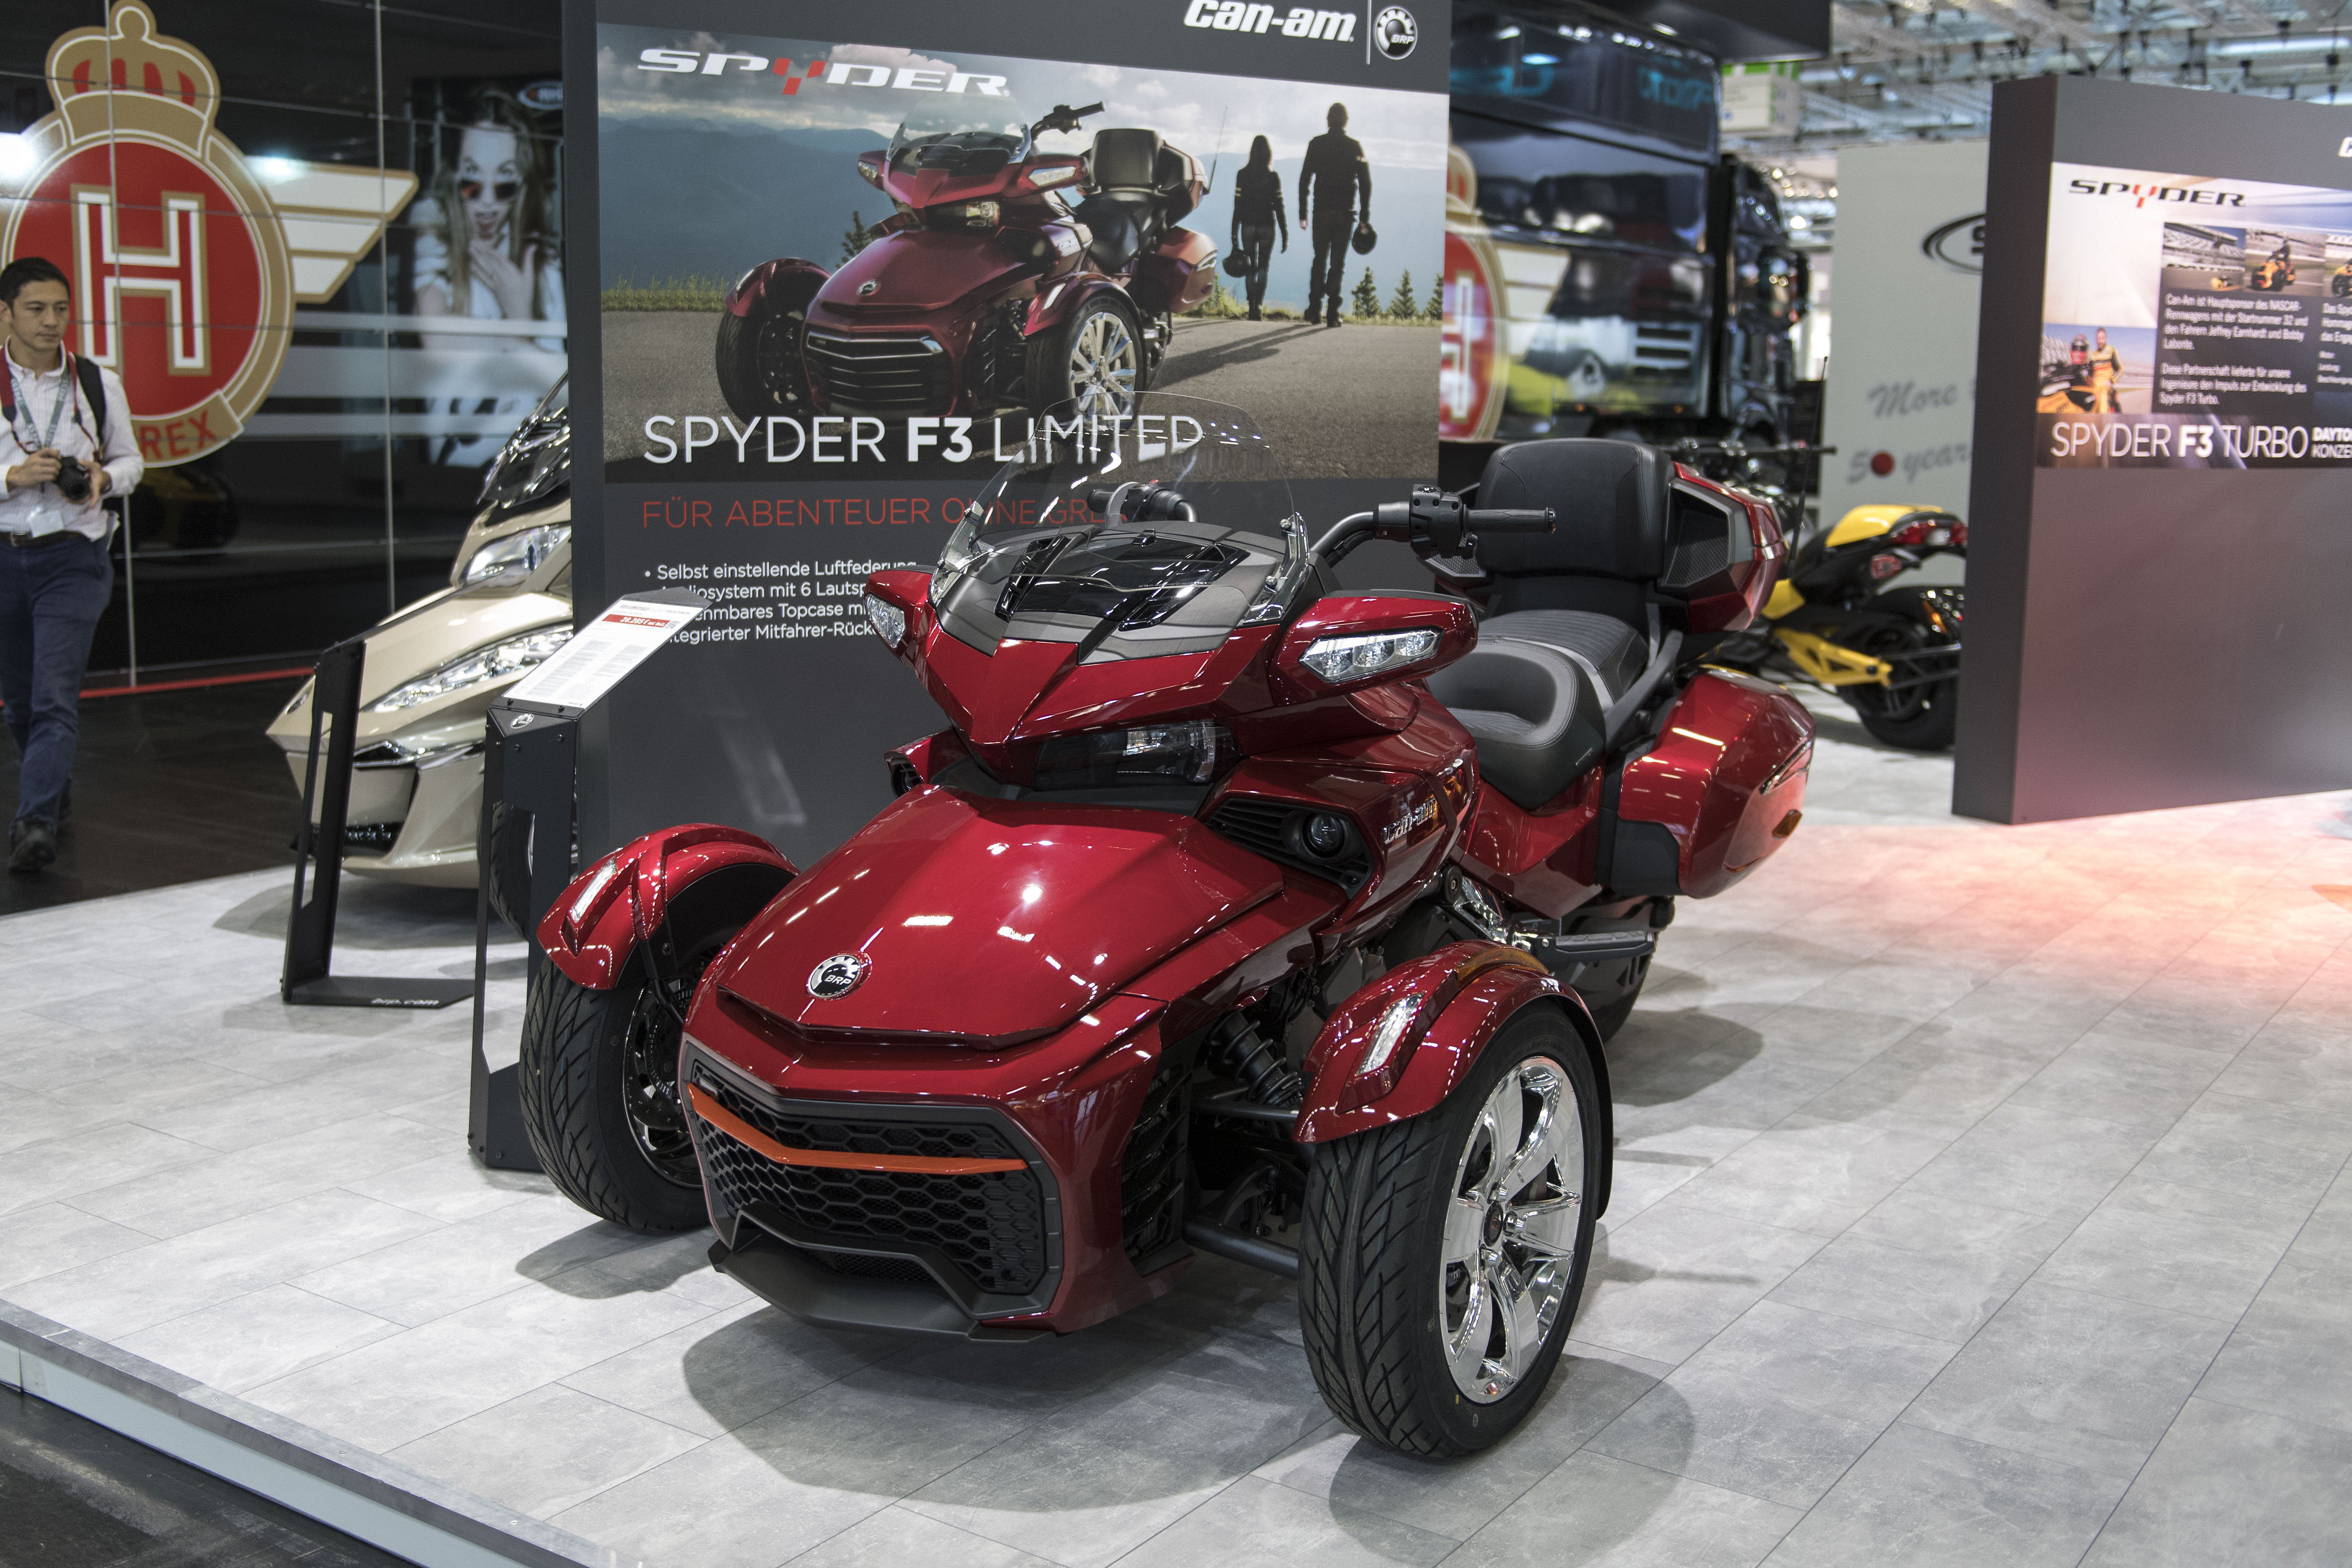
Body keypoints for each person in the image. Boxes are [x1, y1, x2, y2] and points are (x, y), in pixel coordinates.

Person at [0, 256, 141, 873]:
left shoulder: (95, 382)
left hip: (74, 555)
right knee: (20, 703)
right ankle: (51, 787)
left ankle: (34, 822)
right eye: (36, 309)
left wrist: (104, 478)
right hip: (5, 555)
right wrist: (12, 476)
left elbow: (132, 461)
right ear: (6, 313)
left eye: (60, 308)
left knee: (54, 695)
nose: (51, 321)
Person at [413, 88, 564, 465]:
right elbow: (436, 339)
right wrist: (518, 330)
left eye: (505, 184)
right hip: (450, 474)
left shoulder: (541, 265)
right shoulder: (433, 236)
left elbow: (569, 393)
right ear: (453, 176)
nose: (486, 202)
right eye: (471, 181)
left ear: (524, 185)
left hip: (528, 474)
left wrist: (516, 325)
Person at [1297, 102, 1370, 327]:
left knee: (1319, 259)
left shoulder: (1316, 144)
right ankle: (1332, 313)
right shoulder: (1355, 147)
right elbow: (1366, 183)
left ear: (1328, 121)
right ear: (1346, 122)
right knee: (1338, 263)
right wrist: (1364, 215)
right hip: (1345, 213)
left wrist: (1303, 212)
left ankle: (1314, 310)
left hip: (1321, 211)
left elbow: (1304, 180)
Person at [1229, 135, 1286, 322]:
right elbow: (1279, 206)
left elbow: (1237, 206)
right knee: (1263, 267)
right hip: (1267, 226)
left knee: (1250, 267)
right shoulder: (1273, 177)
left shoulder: (1242, 175)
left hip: (1247, 226)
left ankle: (1251, 305)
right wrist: (1285, 233)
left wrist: (1233, 234)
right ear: (1269, 154)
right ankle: (1259, 306)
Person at [2087, 327, 2122, 412]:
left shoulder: (2111, 351)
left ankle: (2103, 418)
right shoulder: (2093, 355)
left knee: (2103, 400)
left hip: (2106, 385)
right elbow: (2089, 373)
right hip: (2095, 385)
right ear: (2096, 340)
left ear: (2106, 339)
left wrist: (2111, 381)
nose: (2100, 341)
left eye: (2102, 338)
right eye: (2098, 339)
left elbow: (2120, 369)